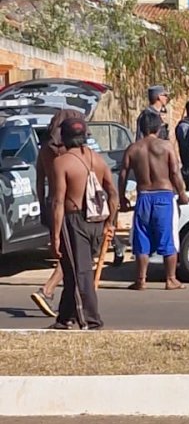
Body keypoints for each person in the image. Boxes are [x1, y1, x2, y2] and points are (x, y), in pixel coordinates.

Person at [50, 117, 117, 330]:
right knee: (73, 270)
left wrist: (55, 235)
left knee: (82, 272)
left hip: (74, 220)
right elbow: (113, 193)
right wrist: (110, 222)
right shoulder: (98, 159)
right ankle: (64, 319)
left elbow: (58, 201)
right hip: (96, 221)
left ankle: (91, 320)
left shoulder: (61, 162)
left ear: (64, 137)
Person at [119, 109, 189, 290]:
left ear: (141, 129)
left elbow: (123, 175)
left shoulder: (133, 148)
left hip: (143, 197)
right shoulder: (166, 146)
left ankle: (140, 280)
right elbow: (175, 172)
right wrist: (182, 193)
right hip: (164, 196)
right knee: (168, 238)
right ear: (158, 128)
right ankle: (171, 279)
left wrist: (122, 198)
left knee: (142, 238)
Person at [30, 124, 67, 318]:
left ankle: (64, 299)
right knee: (71, 254)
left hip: (51, 201)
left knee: (66, 253)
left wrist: (42, 204)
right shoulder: (64, 151)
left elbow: (39, 181)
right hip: (67, 204)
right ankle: (47, 289)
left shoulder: (43, 151)